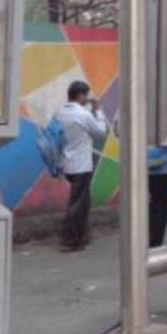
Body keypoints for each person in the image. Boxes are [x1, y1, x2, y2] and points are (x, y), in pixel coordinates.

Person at [55, 80, 108, 252]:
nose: (88, 98)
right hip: (81, 165)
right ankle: (70, 240)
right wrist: (97, 110)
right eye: (86, 94)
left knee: (83, 202)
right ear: (79, 95)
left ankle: (82, 236)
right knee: (77, 204)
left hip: (67, 163)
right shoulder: (82, 115)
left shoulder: (61, 112)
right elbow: (101, 132)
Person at [148, 144, 167, 248]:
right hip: (163, 171)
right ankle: (156, 241)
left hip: (143, 169)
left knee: (150, 205)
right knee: (161, 206)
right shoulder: (163, 129)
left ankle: (148, 237)